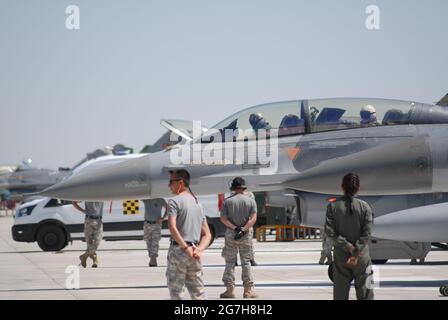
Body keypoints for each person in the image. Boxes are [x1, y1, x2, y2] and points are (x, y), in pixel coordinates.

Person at [325, 173, 374, 300]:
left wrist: (347, 246)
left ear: (342, 186)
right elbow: (367, 233)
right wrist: (356, 250)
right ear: (358, 188)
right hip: (362, 257)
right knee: (366, 293)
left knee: (340, 294)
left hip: (341, 257)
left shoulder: (333, 206)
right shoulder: (365, 207)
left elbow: (330, 232)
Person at [166, 169, 212, 300]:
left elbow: (172, 227)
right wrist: (199, 249)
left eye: (171, 182)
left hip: (179, 250)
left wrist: (185, 248)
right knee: (198, 292)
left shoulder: (174, 201)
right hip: (195, 253)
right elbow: (207, 234)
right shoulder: (198, 204)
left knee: (177, 292)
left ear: (180, 183)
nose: (169, 185)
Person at [220, 177, 258, 299]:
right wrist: (243, 229)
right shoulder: (250, 201)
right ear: (243, 187)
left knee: (230, 262)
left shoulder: (227, 201)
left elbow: (223, 219)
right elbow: (253, 219)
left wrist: (235, 228)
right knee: (246, 262)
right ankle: (247, 290)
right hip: (246, 235)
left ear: (233, 188)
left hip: (231, 235)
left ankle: (229, 290)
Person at [72, 201, 104, 268]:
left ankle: (84, 256)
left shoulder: (101, 193)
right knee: (90, 243)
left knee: (97, 241)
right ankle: (95, 260)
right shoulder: (87, 193)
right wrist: (83, 211)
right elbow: (74, 202)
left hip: (98, 220)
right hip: (89, 220)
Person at [142, 198, 168, 267]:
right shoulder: (147, 199)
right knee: (148, 241)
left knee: (155, 241)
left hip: (156, 224)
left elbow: (168, 208)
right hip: (147, 223)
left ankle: (153, 259)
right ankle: (151, 257)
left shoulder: (160, 200)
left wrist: (163, 218)